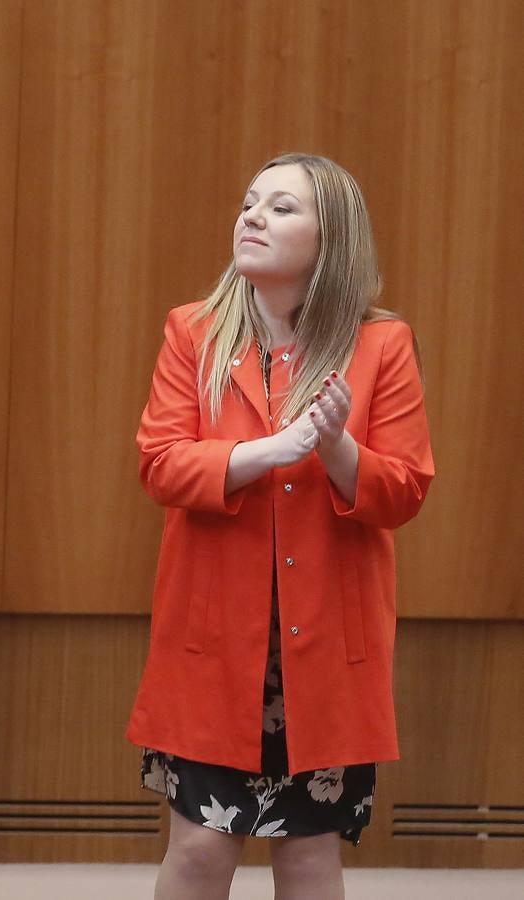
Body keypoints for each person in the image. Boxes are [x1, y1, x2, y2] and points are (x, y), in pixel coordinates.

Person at [128, 153, 434, 899]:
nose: (254, 216)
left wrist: (338, 452)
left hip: (325, 646)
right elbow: (160, 465)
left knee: (306, 857)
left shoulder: (381, 344)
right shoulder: (192, 333)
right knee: (201, 848)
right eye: (250, 203)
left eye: (282, 208)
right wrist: (271, 451)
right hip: (212, 644)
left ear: (332, 241)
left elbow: (405, 490)